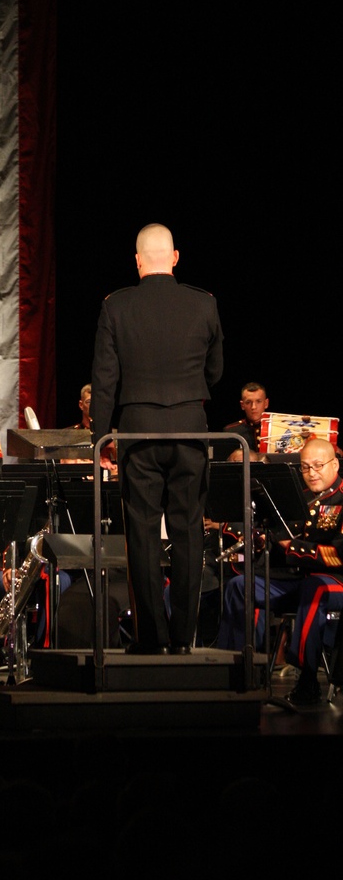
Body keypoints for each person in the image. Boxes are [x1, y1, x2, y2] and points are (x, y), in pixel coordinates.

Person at [91, 222, 223, 654]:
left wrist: (101, 437)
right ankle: (184, 639)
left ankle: (152, 637)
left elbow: (104, 381)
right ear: (176, 257)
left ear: (137, 261)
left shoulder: (117, 306)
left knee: (143, 536)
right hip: (189, 430)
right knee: (188, 532)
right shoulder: (203, 304)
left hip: (138, 432)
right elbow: (215, 373)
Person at [217, 437, 342, 705]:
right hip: (295, 580)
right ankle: (236, 669)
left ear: (335, 464)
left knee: (315, 587)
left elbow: (338, 556)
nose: (312, 473)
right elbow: (276, 536)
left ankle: (307, 679)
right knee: (240, 585)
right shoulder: (297, 496)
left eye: (318, 465)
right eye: (306, 467)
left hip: (334, 580)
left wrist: (293, 547)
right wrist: (264, 539)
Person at [223, 382, 268, 455]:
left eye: (258, 401)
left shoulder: (278, 428)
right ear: (242, 405)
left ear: (266, 403)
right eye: (248, 402)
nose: (253, 407)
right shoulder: (231, 432)